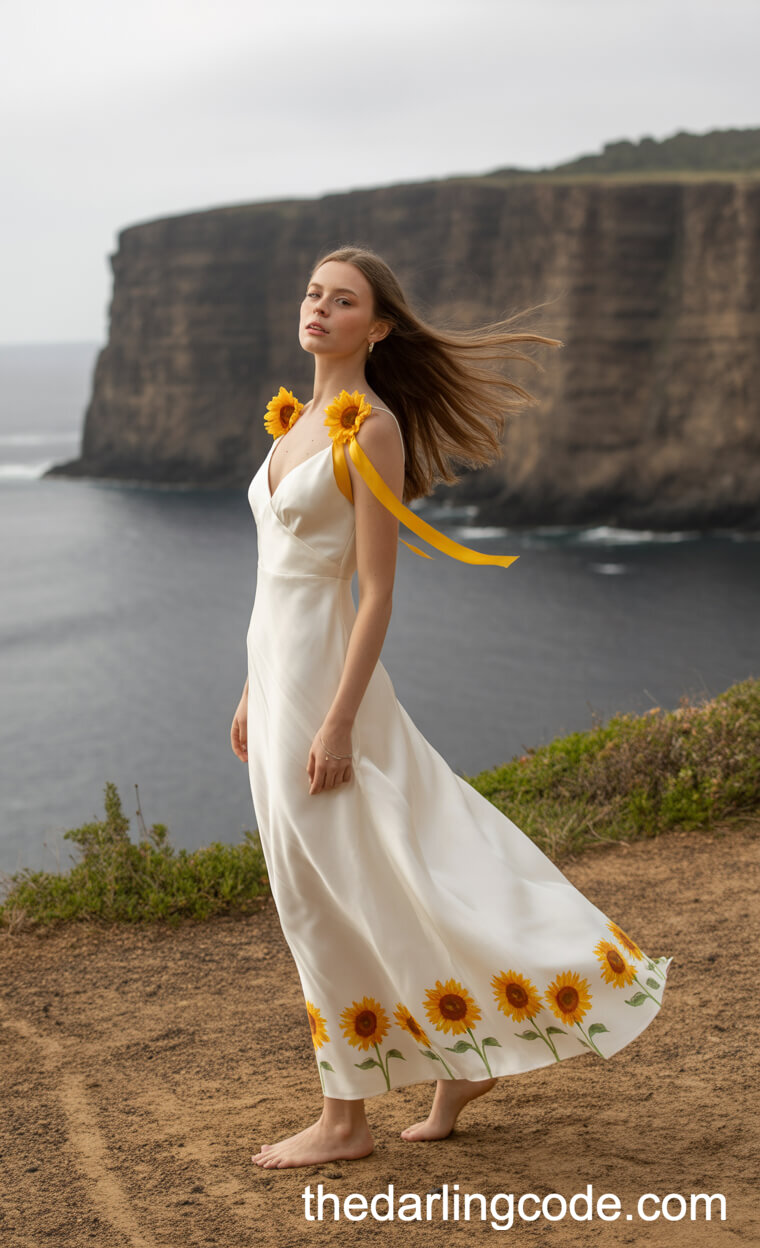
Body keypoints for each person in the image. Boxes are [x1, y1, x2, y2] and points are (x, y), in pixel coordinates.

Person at [230, 244, 672, 1170]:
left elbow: (377, 591)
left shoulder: (370, 427)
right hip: (275, 681)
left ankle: (345, 1120)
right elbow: (275, 575)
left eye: (342, 300)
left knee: (340, 887)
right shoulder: (295, 422)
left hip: (324, 687)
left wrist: (341, 717)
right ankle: (456, 1064)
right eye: (313, 293)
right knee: (337, 881)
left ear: (378, 326)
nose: (318, 308)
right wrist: (247, 689)